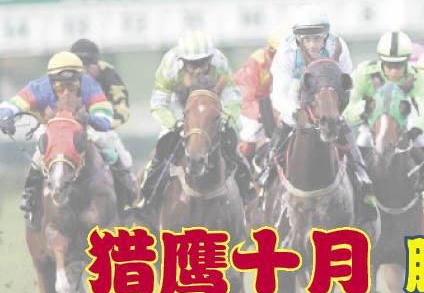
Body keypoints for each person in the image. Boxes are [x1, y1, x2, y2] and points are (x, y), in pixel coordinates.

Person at [265, 4, 377, 223]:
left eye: (317, 38)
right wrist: (294, 112)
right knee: (275, 148)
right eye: (307, 39)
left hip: (328, 101)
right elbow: (279, 94)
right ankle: (265, 182)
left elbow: (346, 85)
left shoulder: (339, 46)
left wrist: (337, 110)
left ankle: (363, 184)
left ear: (326, 35)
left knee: (349, 142)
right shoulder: (286, 52)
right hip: (297, 98)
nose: (313, 44)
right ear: (298, 39)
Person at [136, 31, 249, 212]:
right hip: (179, 105)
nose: (198, 69)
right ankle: (147, 197)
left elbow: (232, 97)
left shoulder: (220, 63)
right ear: (182, 61)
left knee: (233, 140)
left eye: (203, 63)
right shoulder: (169, 66)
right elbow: (158, 105)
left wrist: (226, 119)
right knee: (163, 145)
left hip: (210, 106)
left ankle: (247, 193)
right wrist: (175, 124)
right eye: (192, 64)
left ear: (210, 59)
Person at [0, 51, 113, 230]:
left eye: (72, 85)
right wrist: (5, 117)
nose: (66, 91)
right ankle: (30, 196)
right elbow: (11, 105)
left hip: (82, 128)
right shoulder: (39, 87)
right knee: (39, 157)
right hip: (52, 130)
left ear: (80, 80)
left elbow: (105, 118)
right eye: (61, 87)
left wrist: (89, 118)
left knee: (112, 150)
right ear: (52, 81)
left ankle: (126, 186)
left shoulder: (90, 85)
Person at [344, 30, 424, 164]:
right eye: (389, 65)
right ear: (381, 60)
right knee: (361, 143)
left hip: (405, 123)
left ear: (407, 61)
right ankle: (358, 173)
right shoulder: (364, 73)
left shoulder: (416, 76)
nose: (394, 72)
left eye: (399, 66)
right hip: (372, 124)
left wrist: (415, 131)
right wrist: (365, 110)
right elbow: (348, 108)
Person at [70, 38, 138, 209]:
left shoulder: (109, 74)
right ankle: (31, 195)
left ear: (97, 64)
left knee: (123, 157)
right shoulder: (64, 74)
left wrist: (103, 124)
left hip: (100, 127)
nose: (84, 72)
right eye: (80, 67)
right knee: (40, 155)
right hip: (68, 126)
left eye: (88, 66)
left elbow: (122, 108)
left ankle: (130, 196)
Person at [233, 27, 287, 158]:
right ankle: (243, 163)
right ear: (271, 51)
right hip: (247, 101)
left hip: (269, 101)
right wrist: (262, 114)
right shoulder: (256, 61)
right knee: (251, 131)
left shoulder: (289, 65)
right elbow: (247, 96)